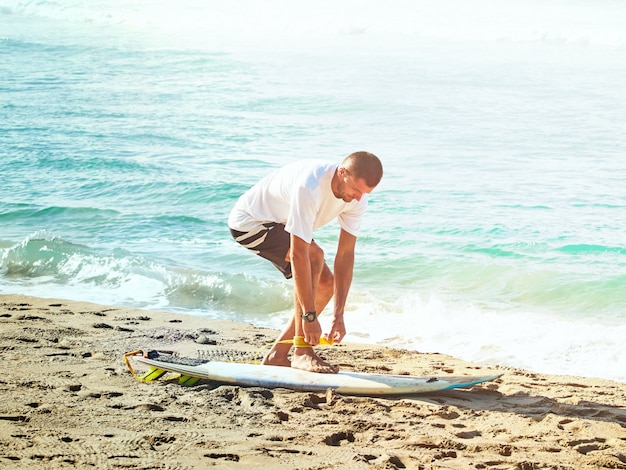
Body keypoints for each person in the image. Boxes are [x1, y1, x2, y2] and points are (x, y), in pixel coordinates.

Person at [228, 151, 383, 373]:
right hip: (251, 223)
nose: (359, 197)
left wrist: (339, 315)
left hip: (281, 222)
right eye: (356, 190)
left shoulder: (358, 199)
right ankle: (302, 352)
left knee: (325, 285)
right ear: (342, 172)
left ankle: (277, 355)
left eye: (366, 193)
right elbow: (300, 254)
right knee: (313, 256)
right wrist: (309, 317)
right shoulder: (309, 186)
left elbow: (345, 255)